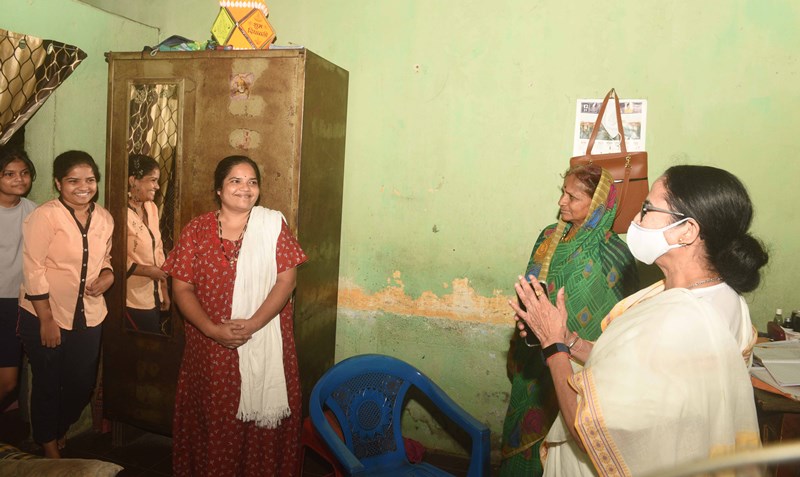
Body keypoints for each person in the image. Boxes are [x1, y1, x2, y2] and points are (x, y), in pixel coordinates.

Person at [512, 165, 768, 476]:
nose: (634, 219)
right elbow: (634, 371)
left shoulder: (680, 320)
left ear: (687, 230)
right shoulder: (717, 295)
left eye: (647, 209)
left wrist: (554, 348)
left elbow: (587, 426)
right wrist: (567, 339)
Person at [163, 155, 307, 476]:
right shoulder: (197, 230)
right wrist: (213, 330)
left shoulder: (272, 226)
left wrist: (253, 324)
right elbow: (182, 289)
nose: (246, 188)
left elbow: (287, 281)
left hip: (263, 337)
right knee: (216, 419)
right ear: (219, 189)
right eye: (236, 181)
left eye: (252, 182)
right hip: (209, 347)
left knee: (261, 423)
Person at [500, 164, 639, 476]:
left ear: (598, 205)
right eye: (562, 193)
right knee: (524, 433)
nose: (562, 202)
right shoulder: (548, 237)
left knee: (572, 445)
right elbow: (529, 295)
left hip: (582, 364)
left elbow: (624, 320)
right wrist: (520, 338)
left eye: (573, 197)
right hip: (535, 358)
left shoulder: (616, 254)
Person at [18, 150, 114, 458]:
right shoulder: (45, 216)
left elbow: (105, 259)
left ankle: (57, 428)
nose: (82, 187)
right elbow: (33, 268)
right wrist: (46, 319)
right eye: (73, 181)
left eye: (89, 180)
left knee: (81, 383)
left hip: (89, 314)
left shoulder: (104, 218)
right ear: (59, 183)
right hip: (46, 313)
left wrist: (109, 275)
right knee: (48, 381)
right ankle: (49, 446)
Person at [0, 146, 37, 408]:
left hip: (17, 302)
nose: (19, 179)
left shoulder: (34, 211)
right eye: (9, 174)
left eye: (24, 173)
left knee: (9, 382)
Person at [125, 154, 169, 334]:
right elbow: (112, 257)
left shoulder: (151, 208)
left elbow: (158, 248)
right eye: (152, 180)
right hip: (131, 298)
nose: (157, 186)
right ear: (133, 180)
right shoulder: (119, 212)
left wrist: (164, 289)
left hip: (153, 295)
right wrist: (146, 271)